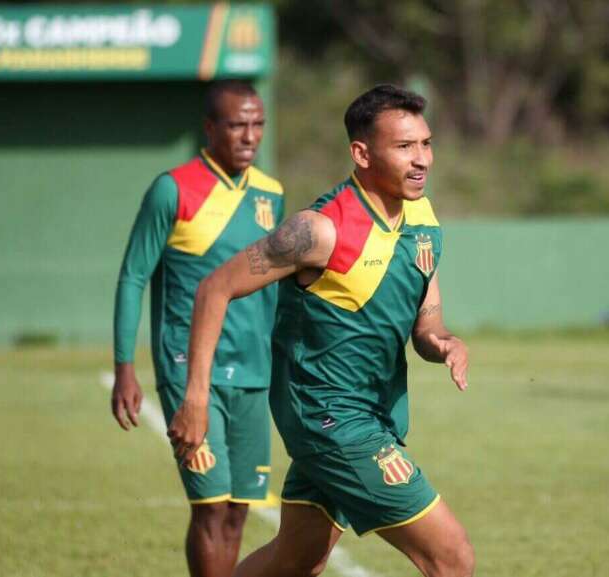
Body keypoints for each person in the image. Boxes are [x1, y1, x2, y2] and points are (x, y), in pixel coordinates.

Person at [169, 84, 476, 577]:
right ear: (361, 153)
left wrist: (443, 342)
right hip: (330, 419)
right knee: (452, 558)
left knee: (297, 559)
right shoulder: (319, 231)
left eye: (426, 143)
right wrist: (196, 400)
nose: (421, 159)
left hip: (375, 414)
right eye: (404, 147)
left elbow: (427, 318)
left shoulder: (422, 216)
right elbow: (214, 289)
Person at [110, 79, 284, 577]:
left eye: (257, 124)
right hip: (192, 375)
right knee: (209, 506)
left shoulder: (271, 193)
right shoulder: (172, 189)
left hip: (255, 373)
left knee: (237, 511)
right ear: (210, 128)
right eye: (237, 125)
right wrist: (125, 368)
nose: (249, 136)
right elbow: (133, 276)